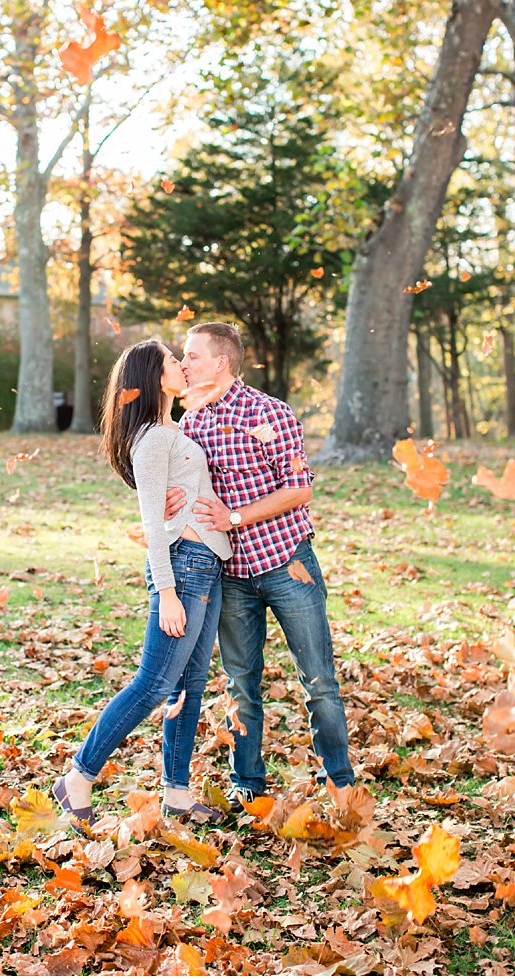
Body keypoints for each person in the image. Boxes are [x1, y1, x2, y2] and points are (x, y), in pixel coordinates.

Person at [165, 321, 356, 800]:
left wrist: (235, 516)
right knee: (240, 685)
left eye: (191, 355)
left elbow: (300, 488)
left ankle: (339, 780)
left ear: (221, 362)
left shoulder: (271, 412)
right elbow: (182, 488)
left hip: (287, 561)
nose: (183, 364)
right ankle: (247, 783)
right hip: (230, 575)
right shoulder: (190, 423)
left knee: (319, 681)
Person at [53, 340, 231, 829]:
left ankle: (176, 793)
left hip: (208, 563)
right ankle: (78, 777)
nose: (183, 366)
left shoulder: (175, 428)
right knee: (153, 685)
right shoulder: (153, 436)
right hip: (184, 568)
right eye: (175, 362)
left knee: (190, 685)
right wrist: (168, 591)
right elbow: (152, 519)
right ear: (154, 376)